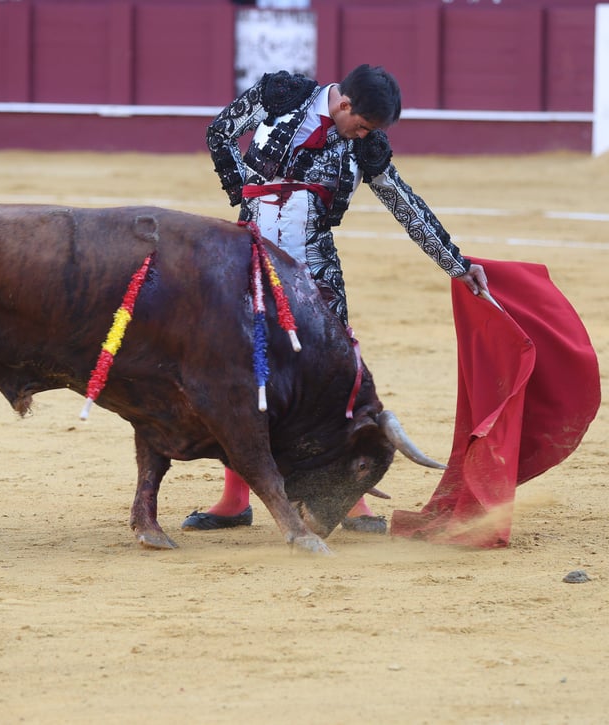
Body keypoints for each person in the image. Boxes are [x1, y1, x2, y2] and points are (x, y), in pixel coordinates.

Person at [182, 64, 490, 535]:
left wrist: (455, 262)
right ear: (344, 103)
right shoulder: (280, 94)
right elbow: (220, 131)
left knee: (335, 376)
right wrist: (244, 192)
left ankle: (349, 498)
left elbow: (402, 202)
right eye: (362, 125)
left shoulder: (365, 145)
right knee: (243, 370)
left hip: (315, 265)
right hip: (251, 253)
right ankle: (234, 500)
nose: (363, 135)